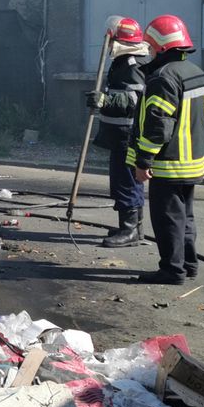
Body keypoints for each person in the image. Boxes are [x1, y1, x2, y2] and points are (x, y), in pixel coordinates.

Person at [127, 14, 204, 284]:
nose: (148, 52)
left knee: (167, 220)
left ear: (161, 47)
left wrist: (143, 161)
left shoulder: (162, 78)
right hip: (192, 162)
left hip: (168, 164)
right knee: (185, 218)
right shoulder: (195, 72)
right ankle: (189, 265)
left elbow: (158, 127)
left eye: (150, 47)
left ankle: (172, 270)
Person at [86, 16, 148, 247]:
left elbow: (136, 99)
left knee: (126, 181)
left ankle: (129, 230)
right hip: (120, 134)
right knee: (125, 180)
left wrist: (105, 100)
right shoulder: (124, 63)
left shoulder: (133, 65)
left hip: (127, 135)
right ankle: (134, 228)